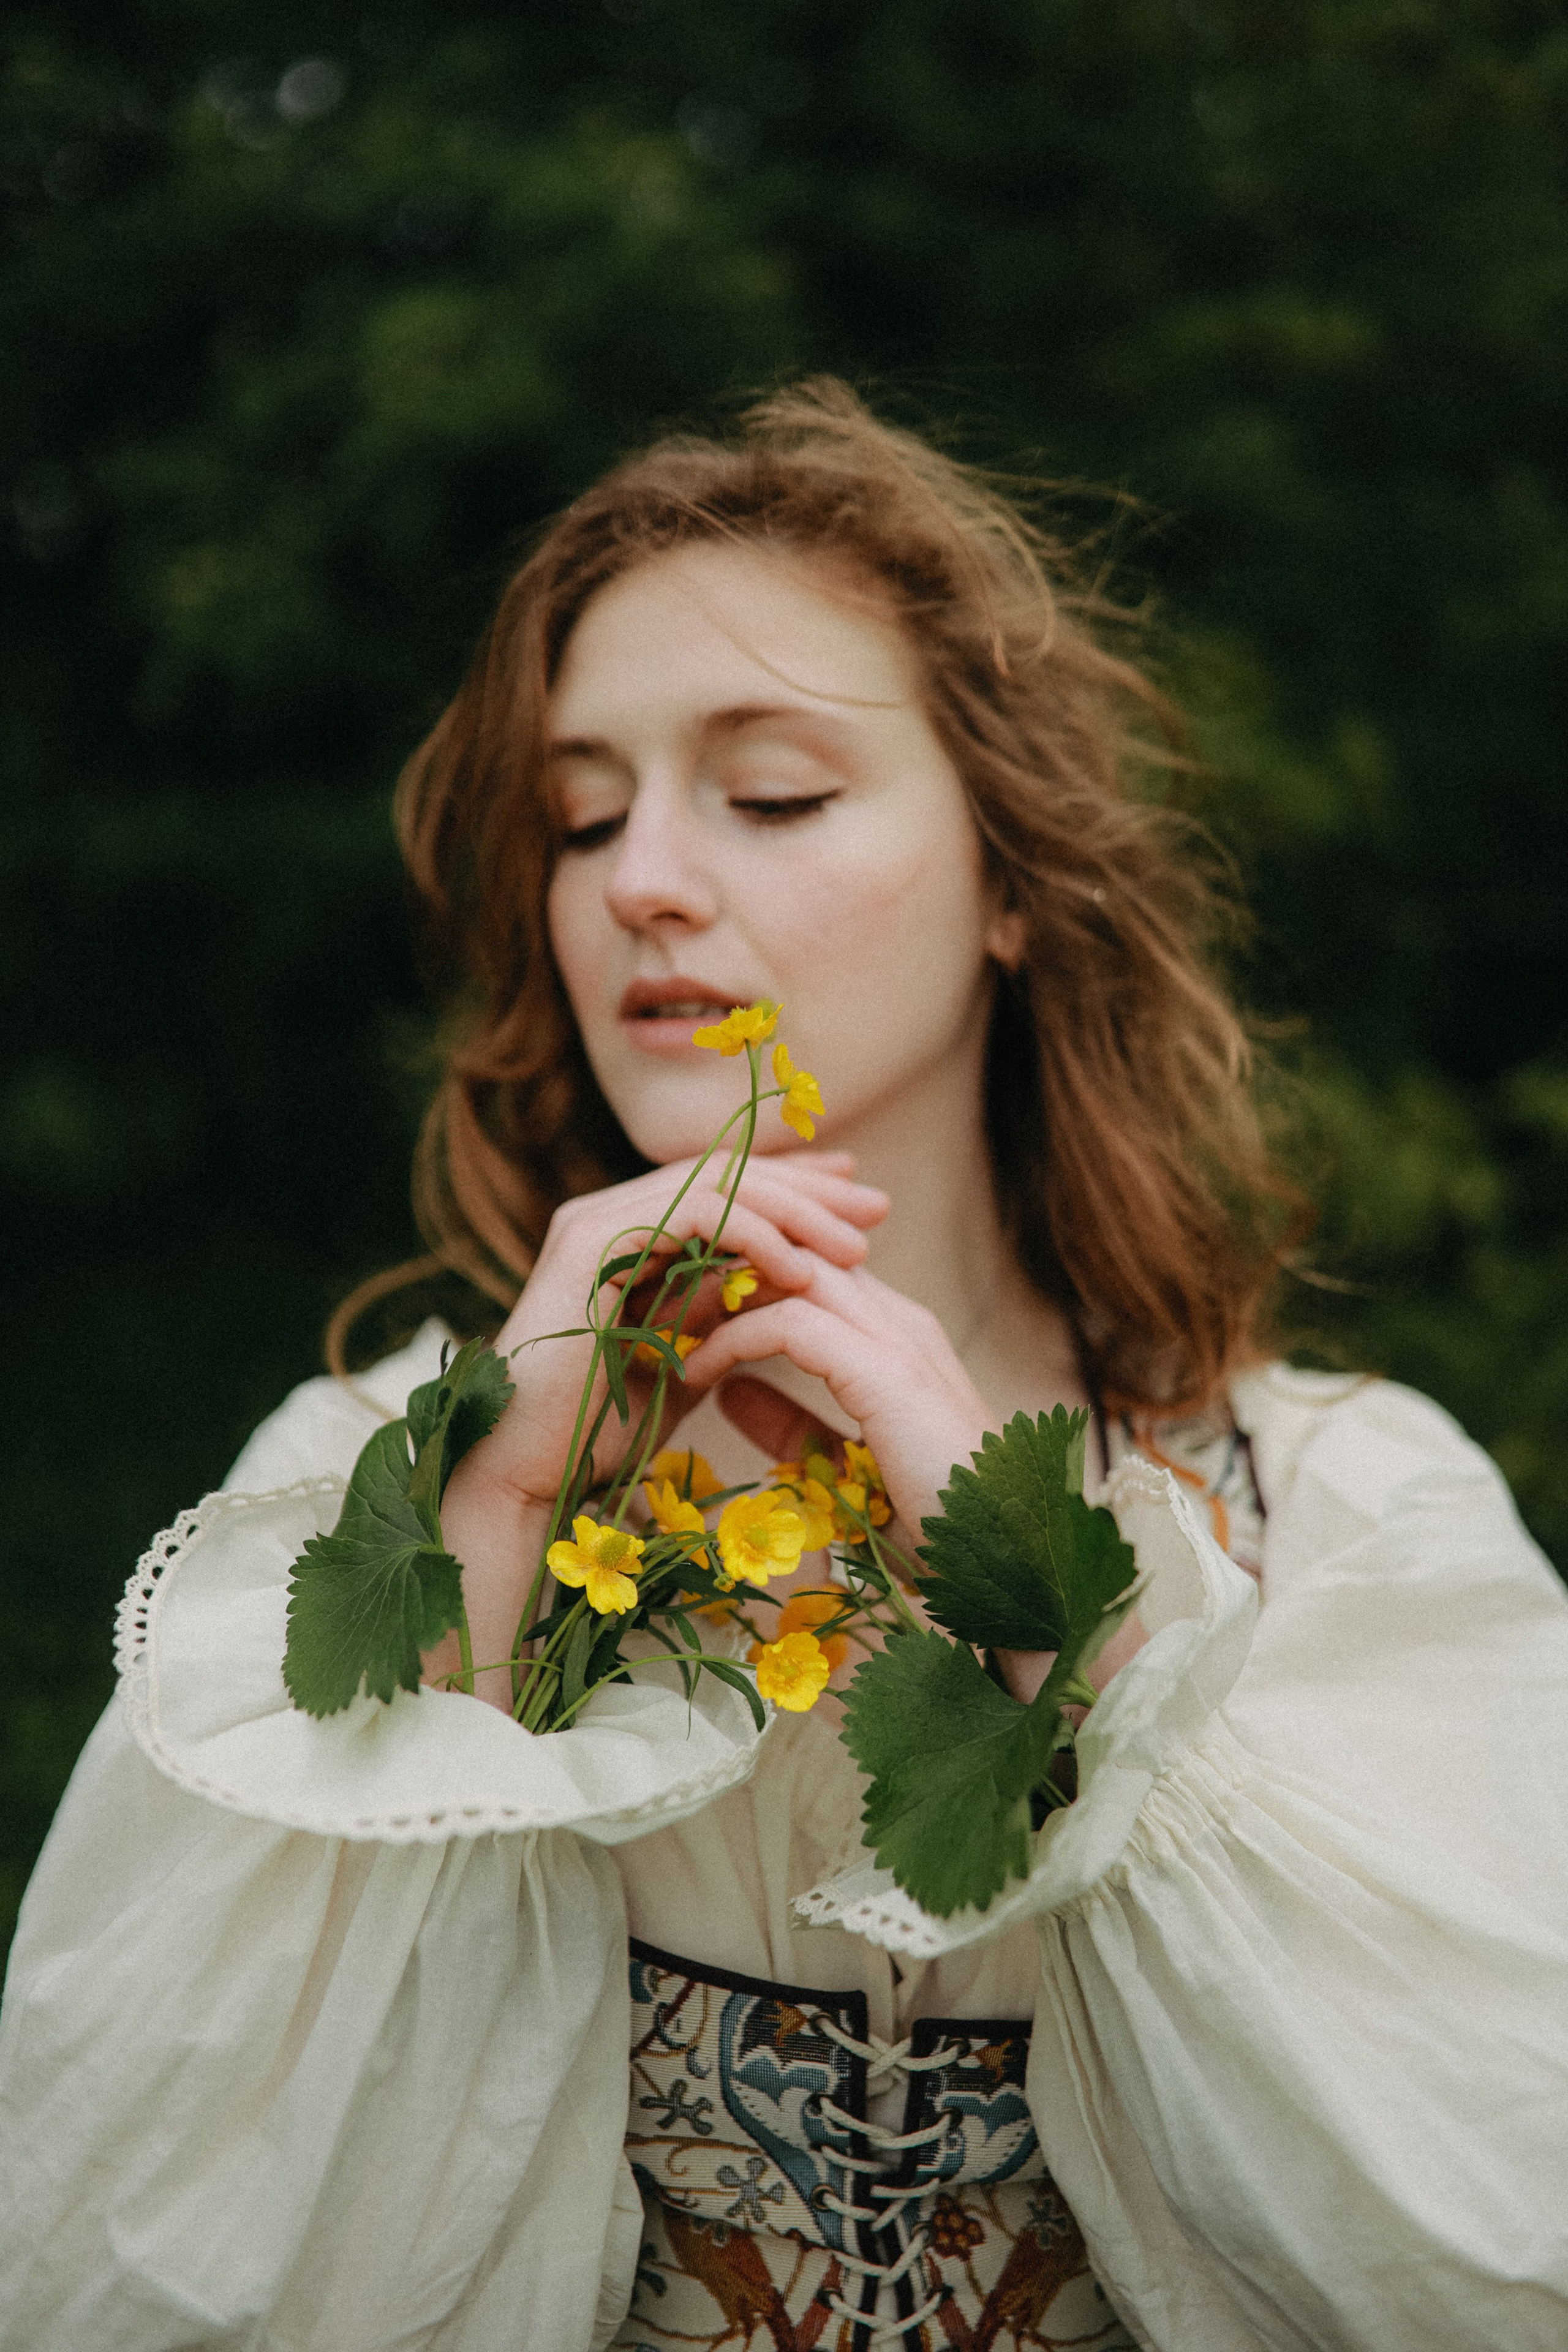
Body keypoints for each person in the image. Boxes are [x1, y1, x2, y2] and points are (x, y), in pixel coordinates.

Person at [2, 381, 1565, 2352]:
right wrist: (488, 1523)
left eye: (772, 793)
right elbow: (134, 2271)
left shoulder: (1341, 1512)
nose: (638, 878)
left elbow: (1490, 2255)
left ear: (1014, 884)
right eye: (584, 815)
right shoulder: (350, 1484)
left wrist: (1067, 1628)